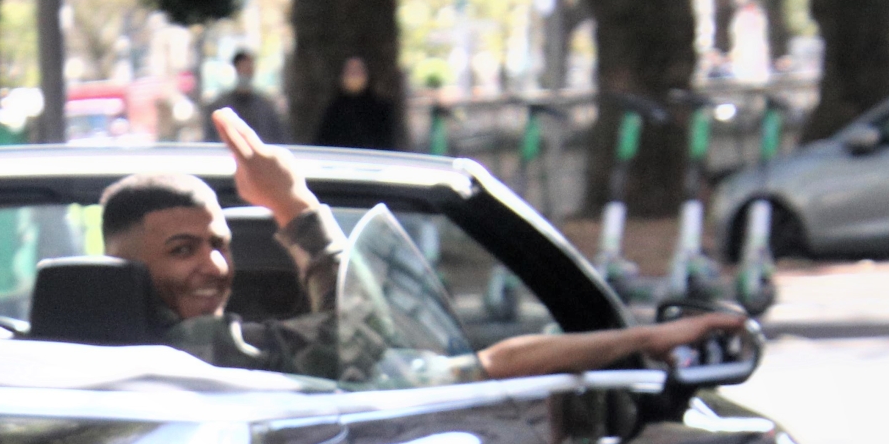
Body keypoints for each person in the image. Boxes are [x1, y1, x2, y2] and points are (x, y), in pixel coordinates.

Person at [101, 108, 744, 382]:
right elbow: (362, 344)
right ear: (119, 268)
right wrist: (293, 204)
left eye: (220, 243)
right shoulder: (188, 350)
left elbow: (480, 369)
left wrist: (641, 340)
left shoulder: (22, 361)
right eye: (183, 249)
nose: (215, 265)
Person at [313, 55, 399, 151]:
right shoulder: (333, 111)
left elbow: (387, 147)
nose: (354, 76)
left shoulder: (382, 110)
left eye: (357, 71)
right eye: (350, 72)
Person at [211, 50, 286, 144]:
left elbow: (277, 137)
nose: (246, 72)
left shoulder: (265, 106)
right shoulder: (221, 105)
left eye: (249, 68)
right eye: (243, 68)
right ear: (236, 69)